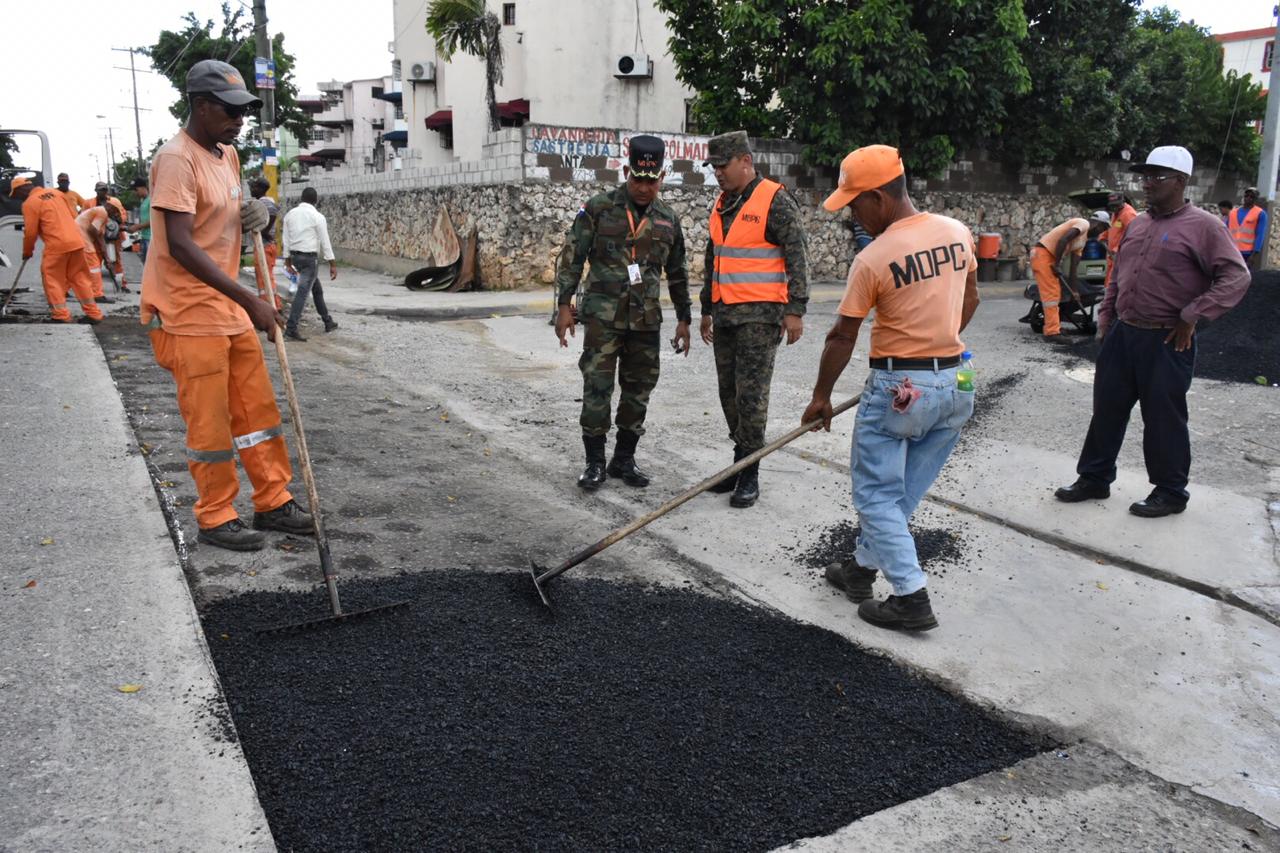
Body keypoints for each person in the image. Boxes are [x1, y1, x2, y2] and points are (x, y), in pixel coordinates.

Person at [804, 144, 979, 631]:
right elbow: (973, 298)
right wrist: (939, 351)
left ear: (879, 197)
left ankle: (911, 597)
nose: (853, 214)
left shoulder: (874, 257)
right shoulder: (956, 232)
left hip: (902, 387)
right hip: (957, 379)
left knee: (878, 497)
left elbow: (842, 335)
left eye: (855, 203)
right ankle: (859, 570)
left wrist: (821, 398)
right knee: (901, 495)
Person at [142, 58, 313, 551]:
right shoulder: (177, 158)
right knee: (211, 422)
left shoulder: (227, 155)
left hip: (226, 307)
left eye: (244, 111)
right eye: (230, 110)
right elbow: (180, 243)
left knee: (256, 410)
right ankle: (215, 515)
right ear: (200, 105)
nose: (239, 120)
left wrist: (262, 212)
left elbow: (228, 218)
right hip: (185, 313)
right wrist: (250, 298)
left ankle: (272, 500)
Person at [1054, 146, 1250, 518]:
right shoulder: (1138, 224)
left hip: (1166, 338)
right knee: (1107, 410)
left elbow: (1236, 277)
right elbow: (1118, 276)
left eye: (1157, 177)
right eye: (1144, 176)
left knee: (1163, 417)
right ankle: (1095, 477)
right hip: (1123, 333)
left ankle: (1170, 491)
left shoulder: (1204, 227)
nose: (1147, 184)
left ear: (1181, 181)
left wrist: (1192, 315)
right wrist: (1106, 321)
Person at [554, 134, 692, 490]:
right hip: (603, 318)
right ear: (626, 171)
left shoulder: (667, 219)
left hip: (645, 320)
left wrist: (684, 319)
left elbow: (677, 273)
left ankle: (623, 460)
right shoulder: (599, 208)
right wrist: (564, 306)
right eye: (638, 179)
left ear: (662, 177)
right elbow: (572, 257)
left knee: (639, 389)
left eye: (652, 180)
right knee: (597, 386)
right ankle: (595, 462)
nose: (644, 187)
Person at [699, 130, 808, 508]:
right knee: (728, 393)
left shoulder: (774, 200)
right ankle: (738, 461)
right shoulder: (721, 204)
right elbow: (714, 259)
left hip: (761, 318)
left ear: (745, 161)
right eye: (713, 167)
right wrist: (705, 309)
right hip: (726, 314)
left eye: (723, 165)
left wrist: (796, 309)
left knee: (752, 397)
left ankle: (750, 472)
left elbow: (797, 255)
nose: (718, 173)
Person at [10, 177, 105, 324]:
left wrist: (27, 251)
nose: (18, 198)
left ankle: (60, 315)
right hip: (77, 242)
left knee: (52, 279)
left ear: (21, 189)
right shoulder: (57, 194)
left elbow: (30, 232)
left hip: (57, 246)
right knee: (80, 279)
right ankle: (94, 314)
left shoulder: (30, 203)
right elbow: (72, 215)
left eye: (16, 195)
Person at [1029, 212, 1107, 338]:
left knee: (1056, 293)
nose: (1100, 234)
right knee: (1052, 294)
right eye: (1103, 230)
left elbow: (1073, 268)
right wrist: (1057, 263)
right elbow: (1063, 240)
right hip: (1043, 254)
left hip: (1049, 256)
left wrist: (1075, 291)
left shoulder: (1082, 242)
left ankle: (1054, 327)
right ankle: (1052, 332)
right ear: (1099, 226)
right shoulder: (1083, 224)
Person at [280, 186, 338, 340]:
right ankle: (291, 329)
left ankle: (328, 321)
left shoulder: (289, 215)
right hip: (310, 260)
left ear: (301, 199)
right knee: (303, 292)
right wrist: (332, 263)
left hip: (296, 258)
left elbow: (285, 240)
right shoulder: (317, 216)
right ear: (315, 201)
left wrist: (287, 261)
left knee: (316, 289)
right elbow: (325, 242)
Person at [88, 181, 131, 293]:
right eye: (101, 190)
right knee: (96, 260)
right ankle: (95, 287)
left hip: (114, 235)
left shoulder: (115, 201)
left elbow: (123, 216)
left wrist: (118, 220)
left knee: (116, 260)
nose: (103, 192)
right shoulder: (90, 203)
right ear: (96, 191)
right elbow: (86, 217)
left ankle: (122, 284)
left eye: (105, 189)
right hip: (97, 236)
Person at [248, 176, 281, 308]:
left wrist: (265, 231)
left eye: (254, 187)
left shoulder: (265, 203)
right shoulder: (264, 202)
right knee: (265, 276)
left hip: (265, 246)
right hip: (266, 245)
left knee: (264, 277)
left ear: (261, 189)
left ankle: (271, 307)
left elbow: (273, 212)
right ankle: (271, 305)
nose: (252, 189)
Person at [75, 202, 111, 300]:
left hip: (75, 237)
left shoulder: (99, 213)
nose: (116, 214)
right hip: (83, 239)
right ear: (109, 207)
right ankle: (97, 294)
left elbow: (100, 237)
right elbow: (93, 230)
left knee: (74, 267)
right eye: (115, 211)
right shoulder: (103, 212)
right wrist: (100, 245)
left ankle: (63, 290)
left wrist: (106, 257)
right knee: (94, 266)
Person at [1103, 192, 1138, 288]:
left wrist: (1116, 249)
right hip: (1112, 257)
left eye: (1116, 205)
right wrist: (1103, 235)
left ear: (1122, 201)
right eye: (1112, 206)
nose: (1114, 208)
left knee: (1117, 284)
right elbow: (1113, 227)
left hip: (1122, 256)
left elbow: (1134, 236)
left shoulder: (1129, 214)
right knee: (1110, 283)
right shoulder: (1115, 212)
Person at [1227, 186, 1267, 269]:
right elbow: (1225, 232)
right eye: (1246, 195)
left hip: (1247, 253)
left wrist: (1254, 254)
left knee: (1244, 278)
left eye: (1252, 197)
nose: (1248, 198)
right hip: (1232, 251)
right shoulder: (1232, 213)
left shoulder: (1260, 213)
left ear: (1256, 199)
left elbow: (1260, 234)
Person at [126, 177, 151, 263]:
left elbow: (154, 220)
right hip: (144, 237)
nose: (134, 192)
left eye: (136, 189)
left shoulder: (151, 200)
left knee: (150, 266)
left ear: (143, 187)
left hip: (151, 239)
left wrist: (137, 227)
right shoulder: (143, 201)